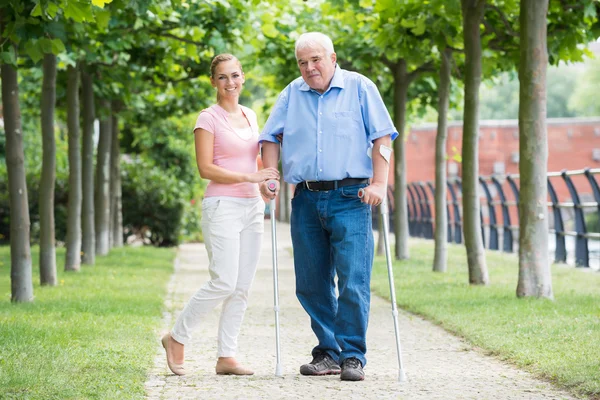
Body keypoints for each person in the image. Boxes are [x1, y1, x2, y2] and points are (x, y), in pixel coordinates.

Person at [259, 32, 397, 382]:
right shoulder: (292, 93)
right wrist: (269, 174)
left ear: (333, 58)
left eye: (315, 59)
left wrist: (379, 183)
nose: (309, 67)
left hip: (351, 197)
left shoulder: (360, 88)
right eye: (302, 62)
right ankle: (328, 351)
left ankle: (352, 355)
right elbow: (270, 137)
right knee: (311, 282)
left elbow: (382, 138)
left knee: (353, 279)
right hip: (305, 198)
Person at [161, 53, 279, 376]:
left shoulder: (251, 115)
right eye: (223, 77)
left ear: (244, 77)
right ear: (213, 82)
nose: (231, 83)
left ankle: (227, 356)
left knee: (241, 286)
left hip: (252, 208)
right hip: (221, 207)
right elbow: (205, 168)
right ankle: (176, 337)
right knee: (224, 281)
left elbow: (253, 163)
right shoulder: (207, 118)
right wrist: (249, 178)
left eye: (235, 75)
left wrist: (265, 183)